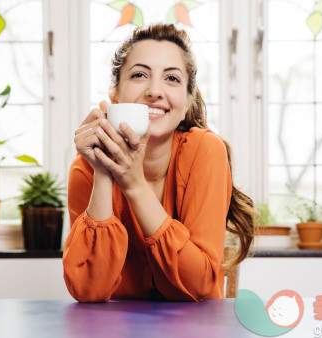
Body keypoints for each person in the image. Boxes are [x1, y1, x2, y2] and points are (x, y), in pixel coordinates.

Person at [63, 23, 256, 302]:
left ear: (187, 102)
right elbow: (88, 291)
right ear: (114, 94)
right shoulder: (86, 169)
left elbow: (198, 284)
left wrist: (135, 186)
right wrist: (104, 170)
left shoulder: (206, 151)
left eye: (172, 79)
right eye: (139, 75)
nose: (155, 91)